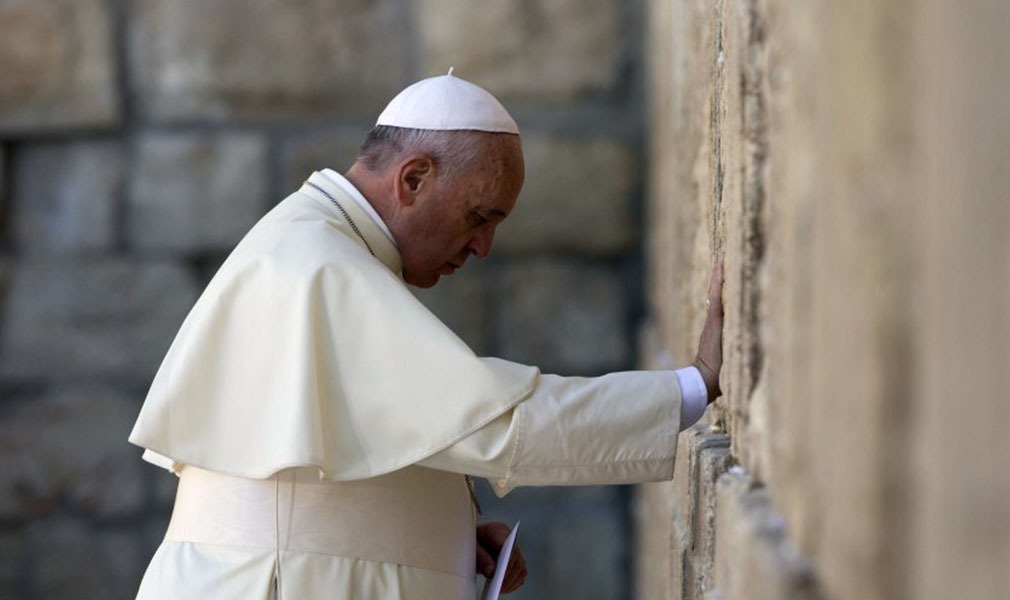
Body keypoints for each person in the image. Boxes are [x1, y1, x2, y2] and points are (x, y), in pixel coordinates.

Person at [129, 72, 725, 599]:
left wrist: (437, 534)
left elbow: (320, 475)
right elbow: (493, 423)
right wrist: (691, 387)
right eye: (479, 217)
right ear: (413, 179)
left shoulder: (315, 245)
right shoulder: (320, 266)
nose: (483, 248)